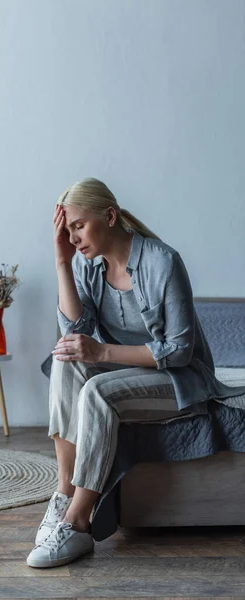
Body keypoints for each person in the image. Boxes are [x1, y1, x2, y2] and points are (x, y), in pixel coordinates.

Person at [26, 177, 245, 569]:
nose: (73, 237)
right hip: (128, 373)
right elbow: (73, 333)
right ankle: (62, 494)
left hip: (181, 379)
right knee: (64, 361)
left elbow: (178, 350)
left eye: (78, 226)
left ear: (109, 217)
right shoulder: (88, 266)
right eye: (67, 229)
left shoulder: (163, 261)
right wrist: (61, 260)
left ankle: (77, 524)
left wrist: (103, 351)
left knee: (97, 392)